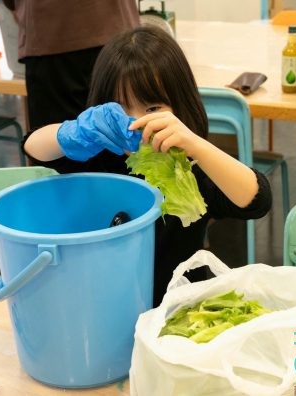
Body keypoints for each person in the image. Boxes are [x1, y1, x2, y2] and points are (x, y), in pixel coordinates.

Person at [23, 26, 272, 306]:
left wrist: (196, 145)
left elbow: (257, 199)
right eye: (119, 109)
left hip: (180, 309)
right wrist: (76, 131)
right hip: (109, 305)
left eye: (152, 109)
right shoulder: (99, 157)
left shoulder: (186, 168)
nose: (136, 122)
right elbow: (35, 147)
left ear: (180, 105)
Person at [3, 1, 140, 172]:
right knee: (66, 155)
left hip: (53, 33)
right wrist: (71, 133)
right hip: (114, 25)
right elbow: (34, 146)